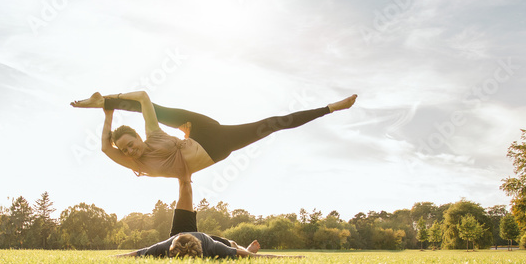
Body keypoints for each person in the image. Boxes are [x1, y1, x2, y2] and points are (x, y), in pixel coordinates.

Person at [71, 90, 357, 180]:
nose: (130, 151)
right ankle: (104, 102)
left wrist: (110, 102)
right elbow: (106, 149)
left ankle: (331, 108)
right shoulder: (137, 164)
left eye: (131, 144)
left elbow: (145, 98)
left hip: (203, 130)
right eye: (126, 150)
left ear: (137, 137)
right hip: (216, 148)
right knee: (270, 125)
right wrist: (107, 116)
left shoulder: (153, 137)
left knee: (272, 123)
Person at [115, 179, 301, 259]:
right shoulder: (166, 246)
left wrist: (290, 257)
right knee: (185, 188)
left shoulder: (213, 247)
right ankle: (184, 175)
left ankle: (247, 247)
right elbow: (135, 254)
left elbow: (257, 259)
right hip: (181, 237)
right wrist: (113, 257)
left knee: (235, 248)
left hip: (217, 241)